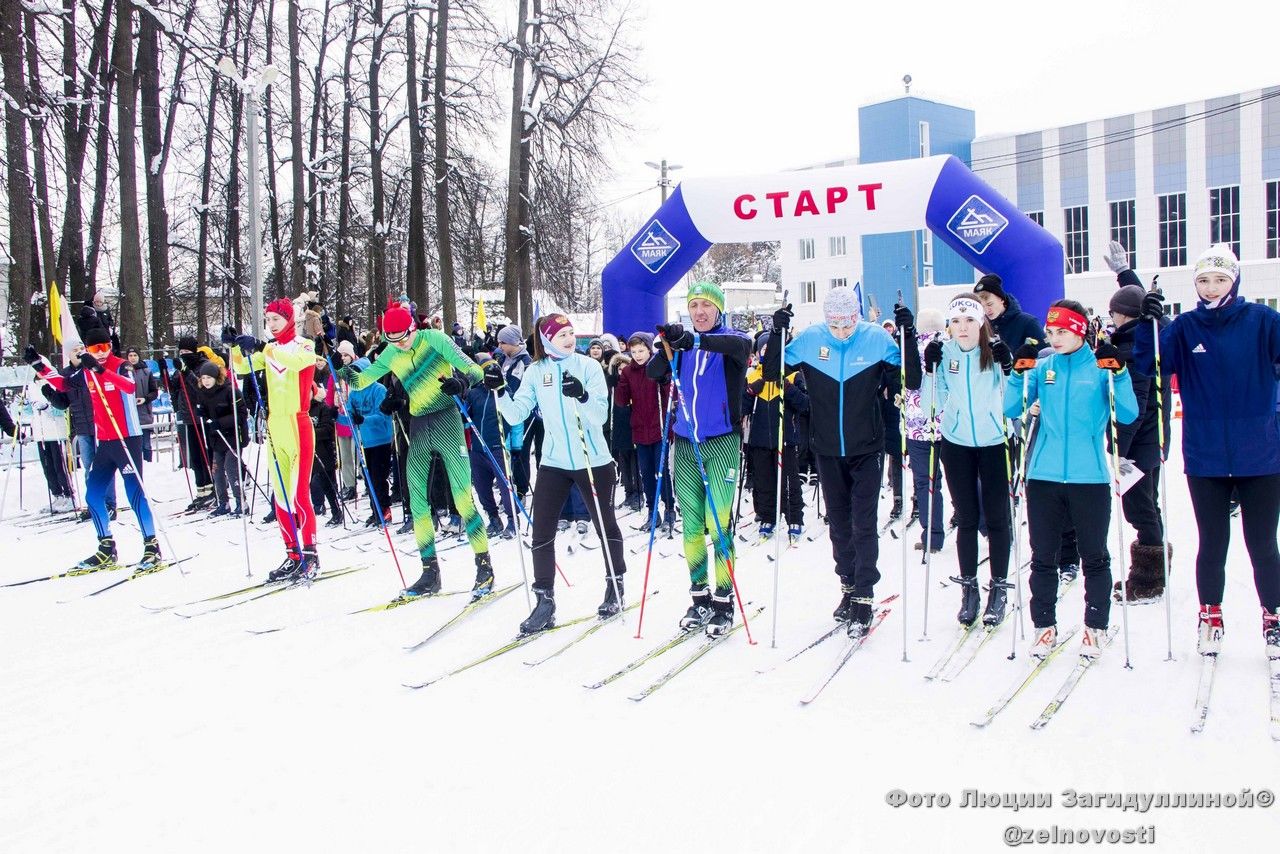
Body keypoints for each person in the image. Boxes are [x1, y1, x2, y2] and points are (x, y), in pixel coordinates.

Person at [1133, 244, 1280, 658]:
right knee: (1212, 542)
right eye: (1203, 280)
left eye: (1219, 280)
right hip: (1206, 456)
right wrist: (1150, 324)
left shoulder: (1264, 321)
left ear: (1234, 281)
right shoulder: (1184, 327)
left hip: (1262, 456)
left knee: (1263, 543)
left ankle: (1274, 616)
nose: (1211, 287)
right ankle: (1210, 615)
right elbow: (1149, 365)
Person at [766, 288, 920, 636]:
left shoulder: (876, 338)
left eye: (847, 324)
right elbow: (772, 373)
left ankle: (865, 593)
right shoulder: (810, 339)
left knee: (863, 523)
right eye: (834, 325)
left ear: (857, 317)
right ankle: (848, 586)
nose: (841, 332)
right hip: (826, 446)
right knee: (838, 523)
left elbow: (911, 380)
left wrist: (907, 335)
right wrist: (778, 333)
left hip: (867, 445)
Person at [1008, 300, 1137, 659]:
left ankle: (1095, 628)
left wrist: (1121, 374)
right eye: (1050, 331)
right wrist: (1019, 374)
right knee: (1043, 558)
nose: (1054, 337)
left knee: (1093, 556)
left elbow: (1127, 413)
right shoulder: (1043, 368)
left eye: (1062, 331)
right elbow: (1010, 409)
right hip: (1044, 475)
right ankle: (1043, 627)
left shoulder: (1099, 370)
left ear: (1080, 330)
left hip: (1089, 477)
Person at [339, 306, 492, 598]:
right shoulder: (390, 352)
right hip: (419, 424)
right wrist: (338, 365)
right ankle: (429, 572)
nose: (400, 345)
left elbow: (474, 370)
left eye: (404, 337)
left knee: (462, 496)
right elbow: (361, 380)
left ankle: (484, 566)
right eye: (392, 340)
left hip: (447, 419)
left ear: (412, 328)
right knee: (417, 501)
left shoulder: (435, 339)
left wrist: (460, 382)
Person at [492, 313, 629, 632]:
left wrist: (581, 395)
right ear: (547, 339)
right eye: (562, 334)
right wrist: (499, 391)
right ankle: (544, 601)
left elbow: (599, 418)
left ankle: (615, 584)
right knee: (540, 530)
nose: (569, 338)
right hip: (553, 461)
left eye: (571, 333)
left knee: (604, 523)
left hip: (592, 459)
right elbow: (515, 415)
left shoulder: (589, 367)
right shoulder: (536, 372)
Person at [648, 282, 754, 636]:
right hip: (685, 442)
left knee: (719, 525)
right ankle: (700, 598)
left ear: (719, 309)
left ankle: (724, 603)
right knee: (692, 527)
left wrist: (692, 340)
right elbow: (652, 372)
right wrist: (667, 344)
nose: (699, 312)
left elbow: (742, 346)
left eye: (706, 305)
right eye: (693, 306)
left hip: (721, 442)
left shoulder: (731, 342)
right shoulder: (682, 346)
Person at [35, 328, 162, 570]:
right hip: (105, 440)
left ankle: (151, 546)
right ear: (88, 350)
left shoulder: (121, 364)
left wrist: (101, 370)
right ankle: (106, 548)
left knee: (134, 493)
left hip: (127, 437)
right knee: (93, 494)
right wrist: (38, 366)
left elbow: (129, 386)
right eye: (95, 349)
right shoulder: (86, 370)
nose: (102, 353)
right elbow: (63, 385)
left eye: (105, 347)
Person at [921, 294, 1014, 626]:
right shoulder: (944, 354)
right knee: (967, 518)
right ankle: (969, 589)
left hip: (993, 442)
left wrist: (1008, 367)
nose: (962, 328)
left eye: (969, 320)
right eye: (956, 322)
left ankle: (999, 587)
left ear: (981, 323)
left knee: (998, 517)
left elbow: (1014, 401)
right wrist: (929, 370)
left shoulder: (995, 351)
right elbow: (930, 404)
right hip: (957, 442)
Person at [233, 299, 321, 581]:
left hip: (299, 425)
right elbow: (241, 367)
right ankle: (292, 554)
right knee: (281, 498)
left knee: (299, 495)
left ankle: (310, 554)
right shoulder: (269, 349)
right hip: (275, 428)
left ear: (289, 320)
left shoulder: (304, 345)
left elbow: (297, 363)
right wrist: (236, 344)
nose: (271, 325)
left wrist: (266, 348)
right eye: (267, 320)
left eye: (275, 320)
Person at [1101, 275, 1172, 602]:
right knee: (1147, 507)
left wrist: (1118, 449)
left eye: (1114, 311)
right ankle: (1154, 572)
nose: (1111, 317)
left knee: (1140, 509)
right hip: (1151, 441)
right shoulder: (1151, 337)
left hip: (1137, 447)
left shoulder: (1131, 348)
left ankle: (1148, 580)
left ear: (1123, 314)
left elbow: (1134, 407)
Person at [29, 342, 116, 520]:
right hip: (82, 427)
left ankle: (109, 504)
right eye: (74, 350)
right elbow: (62, 403)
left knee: (104, 466)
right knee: (89, 467)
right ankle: (94, 504)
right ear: (68, 355)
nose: (78, 352)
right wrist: (49, 394)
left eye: (80, 349)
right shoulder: (65, 375)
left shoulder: (90, 369)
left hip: (100, 425)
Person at [743, 329, 809, 542]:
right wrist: (750, 392)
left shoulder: (791, 374)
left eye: (772, 349)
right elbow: (742, 409)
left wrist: (788, 388)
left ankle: (794, 517)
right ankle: (768, 516)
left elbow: (805, 405)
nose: (768, 353)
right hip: (760, 440)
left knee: (789, 481)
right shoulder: (753, 375)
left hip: (786, 438)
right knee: (764, 481)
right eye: (764, 349)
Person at [615, 332, 675, 533]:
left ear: (650, 350)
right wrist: (619, 383)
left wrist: (665, 381)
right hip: (640, 430)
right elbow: (621, 401)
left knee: (661, 471)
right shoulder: (628, 372)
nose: (638, 355)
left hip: (659, 428)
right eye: (634, 351)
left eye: (641, 350)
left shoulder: (658, 367)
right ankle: (652, 512)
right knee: (646, 473)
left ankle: (669, 509)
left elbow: (670, 396)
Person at [904, 308, 945, 553]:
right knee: (965, 480)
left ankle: (932, 534)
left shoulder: (909, 348)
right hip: (948, 424)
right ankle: (986, 527)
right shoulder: (950, 347)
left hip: (917, 427)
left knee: (926, 482)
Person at [464, 352, 515, 539]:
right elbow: (465, 416)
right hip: (477, 449)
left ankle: (512, 520)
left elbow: (512, 418)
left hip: (497, 447)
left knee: (504, 486)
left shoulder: (504, 393)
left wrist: (514, 445)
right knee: (481, 486)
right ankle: (493, 518)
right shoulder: (474, 393)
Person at [344, 357, 395, 527]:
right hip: (366, 441)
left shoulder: (378, 389)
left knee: (378, 477)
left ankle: (384, 509)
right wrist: (338, 416)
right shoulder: (354, 393)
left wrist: (363, 419)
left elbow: (383, 415)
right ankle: (376, 510)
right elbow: (350, 415)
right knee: (369, 480)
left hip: (381, 439)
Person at [193, 359, 247, 518]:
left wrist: (220, 423)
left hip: (233, 436)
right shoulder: (202, 393)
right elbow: (205, 411)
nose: (206, 381)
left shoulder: (230, 391)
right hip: (216, 439)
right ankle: (223, 503)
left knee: (231, 468)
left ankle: (241, 502)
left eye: (209, 378)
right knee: (217, 471)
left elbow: (242, 415)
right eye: (203, 378)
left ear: (216, 377)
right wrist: (202, 413)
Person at [170, 336, 214, 511]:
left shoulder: (203, 365)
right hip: (187, 415)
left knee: (205, 455)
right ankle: (201, 490)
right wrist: (170, 373)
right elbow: (175, 388)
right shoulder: (181, 367)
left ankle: (212, 488)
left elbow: (201, 387)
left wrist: (186, 371)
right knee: (194, 457)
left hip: (201, 416)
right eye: (181, 352)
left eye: (187, 352)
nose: (184, 355)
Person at [23, 364, 75, 512]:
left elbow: (62, 407)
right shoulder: (32, 386)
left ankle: (68, 494)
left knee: (60, 466)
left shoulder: (55, 383)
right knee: (48, 466)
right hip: (41, 432)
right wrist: (26, 404)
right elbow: (29, 411)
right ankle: (57, 494)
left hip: (56, 431)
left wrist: (48, 407)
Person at [495, 324, 534, 505]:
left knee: (519, 453)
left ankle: (520, 490)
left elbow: (519, 388)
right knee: (508, 452)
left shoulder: (524, 362)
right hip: (506, 412)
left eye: (503, 342)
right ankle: (509, 490)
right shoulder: (506, 360)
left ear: (512, 342)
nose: (500, 346)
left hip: (521, 414)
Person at [972, 274, 1046, 350]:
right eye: (982, 306)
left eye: (990, 304)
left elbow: (1047, 356)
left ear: (1001, 299)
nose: (987, 310)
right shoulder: (980, 326)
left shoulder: (1028, 323)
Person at [308, 380, 345, 528]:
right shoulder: (302, 410)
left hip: (324, 452)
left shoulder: (322, 408)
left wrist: (309, 432)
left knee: (328, 484)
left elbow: (328, 429)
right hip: (310, 453)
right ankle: (319, 507)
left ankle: (336, 511)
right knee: (315, 483)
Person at [334, 340, 358, 500]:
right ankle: (349, 485)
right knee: (345, 456)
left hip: (355, 419)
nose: (343, 358)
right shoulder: (337, 374)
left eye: (345, 355)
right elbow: (333, 397)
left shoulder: (357, 370)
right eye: (341, 355)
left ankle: (361, 481)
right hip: (342, 419)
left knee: (356, 454)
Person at [125, 348, 158, 462]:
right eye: (130, 355)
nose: (133, 358)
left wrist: (145, 399)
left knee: (146, 444)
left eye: (135, 355)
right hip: (129, 413)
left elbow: (154, 392)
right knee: (133, 446)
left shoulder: (147, 372)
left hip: (144, 412)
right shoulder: (123, 372)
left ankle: (148, 463)